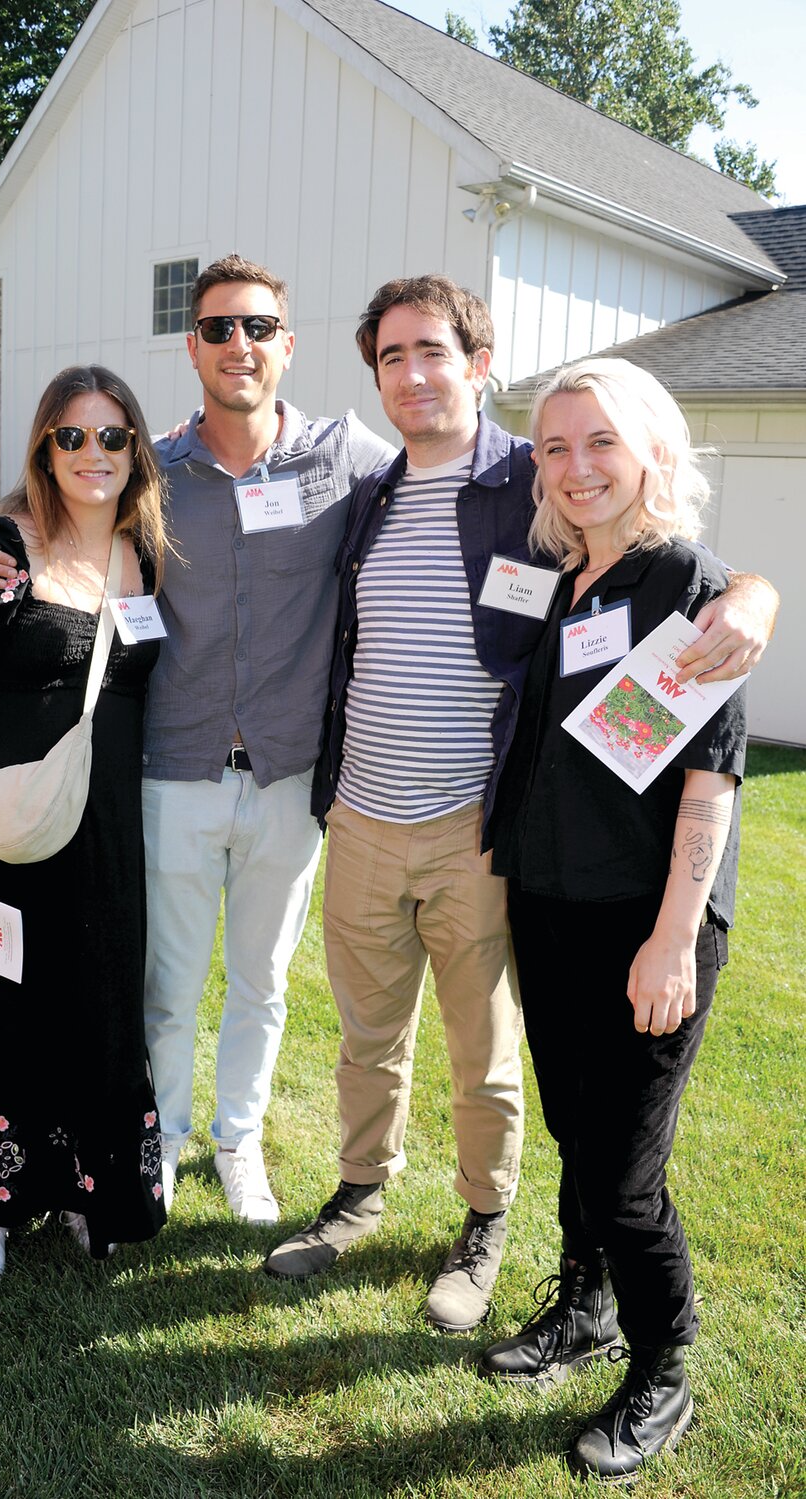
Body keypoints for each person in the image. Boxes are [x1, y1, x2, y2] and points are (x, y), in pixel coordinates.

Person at [263, 278, 774, 1338]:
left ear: (477, 362)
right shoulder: (370, 489)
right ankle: (360, 1193)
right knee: (368, 1035)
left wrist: (749, 593)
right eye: (390, 356)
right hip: (367, 813)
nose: (411, 374)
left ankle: (483, 1222)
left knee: (480, 1049)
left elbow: (669, 575)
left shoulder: (529, 482)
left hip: (477, 825)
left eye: (432, 351)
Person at [0, 255, 395, 1225]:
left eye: (257, 327)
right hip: (171, 775)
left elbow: (462, 472)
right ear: (191, 347)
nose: (239, 345)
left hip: (284, 777)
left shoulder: (343, 456)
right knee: (168, 989)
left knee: (262, 985)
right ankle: (162, 1145)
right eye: (219, 328)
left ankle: (239, 1141)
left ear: (287, 343)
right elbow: (46, 518)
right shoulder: (153, 476)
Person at [477, 358, 747, 1483]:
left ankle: (661, 1372)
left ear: (649, 450)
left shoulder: (683, 581)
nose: (574, 466)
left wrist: (672, 936)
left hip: (644, 923)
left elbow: (708, 776)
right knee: (574, 1139)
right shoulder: (565, 579)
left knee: (625, 1175)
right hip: (548, 910)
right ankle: (581, 1305)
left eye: (598, 442)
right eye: (552, 446)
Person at [0, 365, 168, 1285]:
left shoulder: (147, 551)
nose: (91, 453)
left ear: (135, 447)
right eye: (71, 436)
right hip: (7, 836)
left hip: (104, 840)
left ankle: (76, 1186)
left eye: (110, 436)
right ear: (44, 448)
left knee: (92, 1009)